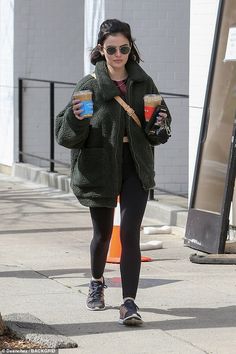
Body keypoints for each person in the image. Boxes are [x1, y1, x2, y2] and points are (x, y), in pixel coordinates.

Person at [55, 19, 171, 326]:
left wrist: (160, 124)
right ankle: (96, 281)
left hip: (135, 165)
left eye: (124, 48)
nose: (118, 54)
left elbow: (157, 130)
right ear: (101, 49)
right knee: (103, 233)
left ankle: (129, 303)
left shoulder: (144, 84)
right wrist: (77, 119)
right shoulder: (88, 85)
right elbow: (66, 137)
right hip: (100, 167)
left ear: (131, 48)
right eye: (111, 49)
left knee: (130, 233)